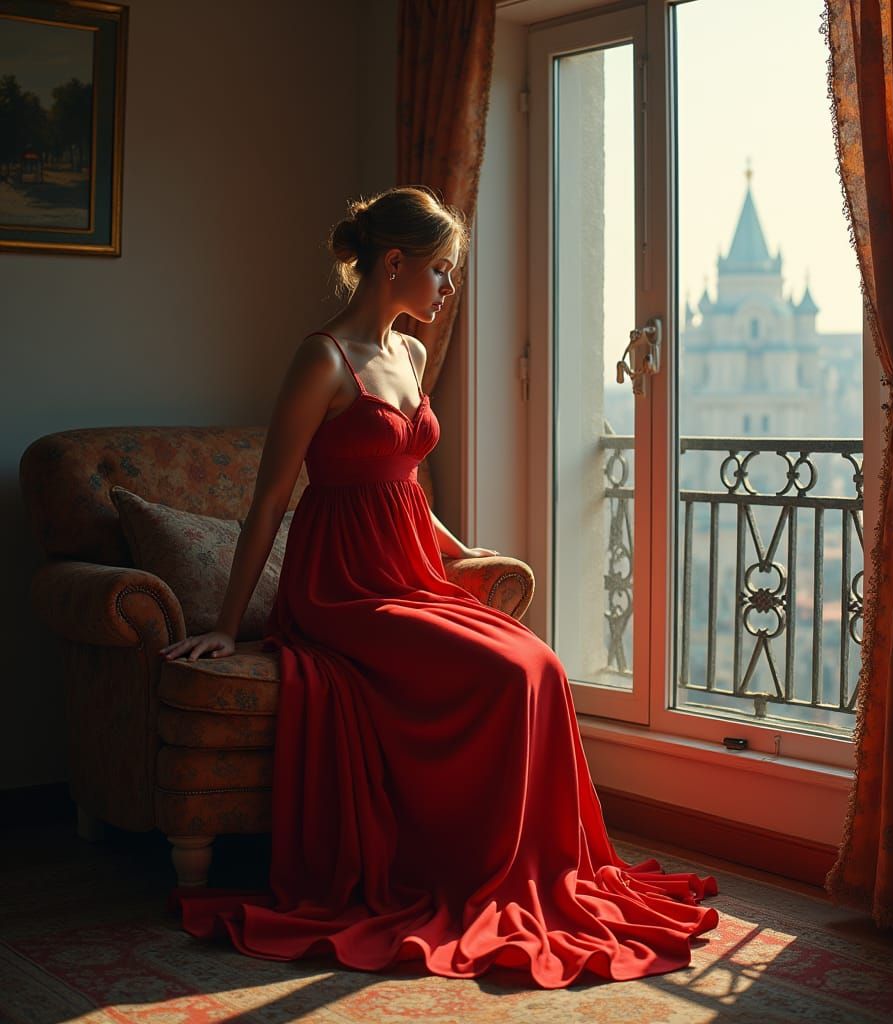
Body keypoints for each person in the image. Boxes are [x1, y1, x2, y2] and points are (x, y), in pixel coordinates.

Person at [162, 185, 718, 989]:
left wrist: (464, 550)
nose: (448, 288)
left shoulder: (414, 355)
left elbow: (405, 482)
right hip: (343, 586)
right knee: (500, 671)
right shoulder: (322, 358)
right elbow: (270, 500)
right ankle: (476, 871)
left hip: (409, 568)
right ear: (396, 264)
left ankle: (533, 868)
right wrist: (225, 624)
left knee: (541, 665)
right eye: (443, 272)